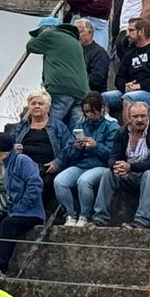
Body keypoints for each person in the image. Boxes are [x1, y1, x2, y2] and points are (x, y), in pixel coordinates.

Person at [0, 131, 45, 276]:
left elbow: (35, 184)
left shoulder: (23, 161)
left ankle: (0, 268)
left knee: (8, 223)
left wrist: (22, 206)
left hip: (28, 211)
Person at [5, 90, 75, 214]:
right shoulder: (19, 128)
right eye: (33, 103)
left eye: (41, 104)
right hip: (25, 169)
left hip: (47, 168)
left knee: (45, 183)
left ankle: (30, 213)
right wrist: (13, 149)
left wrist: (58, 163)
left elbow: (69, 148)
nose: (36, 106)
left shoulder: (59, 126)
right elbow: (6, 148)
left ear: (47, 107)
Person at [56, 92, 120, 226]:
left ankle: (85, 216)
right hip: (81, 164)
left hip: (102, 166)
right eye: (86, 112)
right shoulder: (80, 125)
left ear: (102, 108)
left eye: (92, 111)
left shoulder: (112, 126)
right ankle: (70, 215)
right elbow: (68, 153)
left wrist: (96, 147)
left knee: (84, 181)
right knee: (59, 181)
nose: (89, 115)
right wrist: (77, 148)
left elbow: (114, 155)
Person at [102, 101, 150, 229]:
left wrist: (130, 167)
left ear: (148, 116)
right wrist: (117, 167)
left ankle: (142, 220)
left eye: (143, 116)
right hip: (129, 174)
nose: (139, 120)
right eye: (135, 116)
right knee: (107, 174)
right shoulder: (122, 132)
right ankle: (99, 218)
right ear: (129, 117)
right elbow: (113, 157)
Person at [24, 17, 90, 128]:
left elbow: (30, 46)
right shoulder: (76, 42)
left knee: (50, 126)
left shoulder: (50, 35)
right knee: (75, 130)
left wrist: (43, 33)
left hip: (60, 89)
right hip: (82, 93)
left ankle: (47, 145)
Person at [103, 18, 150, 116]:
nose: (127, 34)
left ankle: (129, 131)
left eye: (131, 30)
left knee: (129, 98)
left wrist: (140, 86)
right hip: (129, 92)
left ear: (141, 31)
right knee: (102, 98)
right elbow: (119, 77)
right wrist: (125, 86)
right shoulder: (129, 54)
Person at [74, 19, 112, 94]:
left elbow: (96, 80)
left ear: (90, 33)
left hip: (91, 93)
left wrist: (74, 80)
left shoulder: (99, 53)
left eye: (80, 32)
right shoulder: (72, 51)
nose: (76, 35)